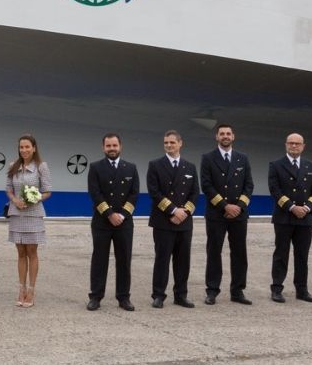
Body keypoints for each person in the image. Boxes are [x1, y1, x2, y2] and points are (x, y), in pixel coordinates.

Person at [199, 123, 253, 305]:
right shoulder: (207, 158)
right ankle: (212, 290)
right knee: (214, 252)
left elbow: (248, 185)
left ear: (233, 136)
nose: (225, 136)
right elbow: (206, 185)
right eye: (222, 134)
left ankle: (238, 291)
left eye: (228, 133)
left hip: (239, 214)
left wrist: (238, 206)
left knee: (239, 253)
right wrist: (225, 206)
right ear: (217, 137)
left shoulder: (242, 158)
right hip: (216, 214)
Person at [87, 133, 137, 311]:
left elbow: (133, 194)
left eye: (114, 145)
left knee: (124, 260)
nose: (112, 149)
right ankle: (95, 296)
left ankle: (124, 297)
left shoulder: (131, 168)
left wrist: (122, 215)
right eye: (108, 146)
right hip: (102, 222)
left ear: (120, 146)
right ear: (103, 148)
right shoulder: (95, 168)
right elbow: (95, 193)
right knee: (99, 259)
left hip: (124, 223)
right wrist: (109, 214)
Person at [147, 130, 197, 309]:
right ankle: (158, 295)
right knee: (162, 259)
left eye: (172, 142)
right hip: (163, 221)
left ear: (180, 143)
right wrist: (173, 211)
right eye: (166, 143)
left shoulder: (190, 167)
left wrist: (185, 212)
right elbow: (154, 192)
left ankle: (181, 295)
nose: (169, 145)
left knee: (183, 261)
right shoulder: (155, 165)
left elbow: (194, 193)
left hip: (184, 222)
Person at [269, 133, 312, 304]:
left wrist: (306, 208)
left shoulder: (311, 166)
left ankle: (302, 289)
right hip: (284, 217)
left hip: (305, 218)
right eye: (291, 143)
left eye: (297, 144)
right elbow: (275, 190)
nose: (294, 146)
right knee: (281, 255)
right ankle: (277, 288)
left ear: (303, 146)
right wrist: (292, 207)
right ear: (286, 145)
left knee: (302, 255)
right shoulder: (276, 165)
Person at [5, 134, 52, 308]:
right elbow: (8, 189)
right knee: (20, 252)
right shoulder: (13, 166)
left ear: (34, 148)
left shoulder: (41, 166)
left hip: (33, 213)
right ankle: (21, 289)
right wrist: (15, 200)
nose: (24, 150)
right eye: (21, 147)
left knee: (32, 252)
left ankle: (31, 290)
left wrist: (35, 198)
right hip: (17, 213)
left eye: (27, 147)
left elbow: (47, 191)